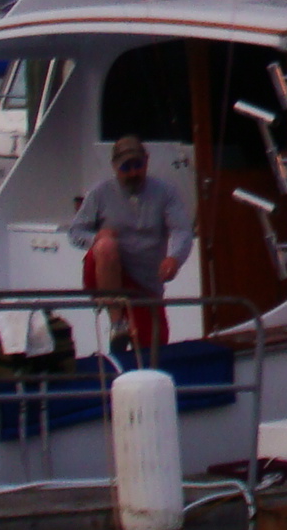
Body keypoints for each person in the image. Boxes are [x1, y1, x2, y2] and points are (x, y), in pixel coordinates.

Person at [71, 135, 195, 361]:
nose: (132, 173)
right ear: (115, 167)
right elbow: (75, 232)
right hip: (105, 273)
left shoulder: (165, 192)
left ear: (146, 162)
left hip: (146, 284)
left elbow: (182, 230)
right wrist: (97, 236)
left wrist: (174, 258)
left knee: (155, 353)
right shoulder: (100, 193)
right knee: (106, 245)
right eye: (126, 167)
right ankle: (117, 324)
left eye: (137, 165)